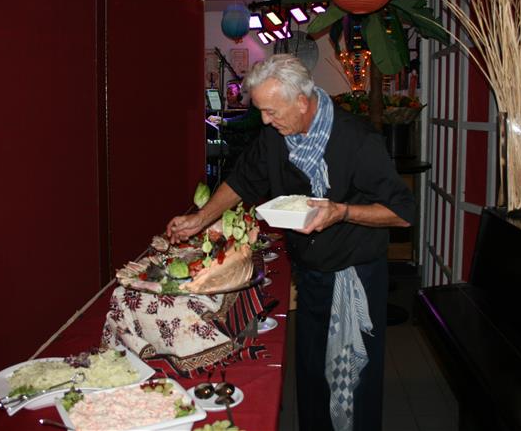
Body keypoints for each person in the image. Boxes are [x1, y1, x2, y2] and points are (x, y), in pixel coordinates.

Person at [167, 54, 414, 430]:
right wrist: (200, 219)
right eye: (262, 112)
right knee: (313, 374)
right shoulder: (276, 136)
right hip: (310, 272)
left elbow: (402, 212)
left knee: (352, 382)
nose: (266, 121)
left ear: (302, 101)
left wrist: (342, 212)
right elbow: (243, 179)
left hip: (354, 278)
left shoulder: (357, 139)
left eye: (271, 111)